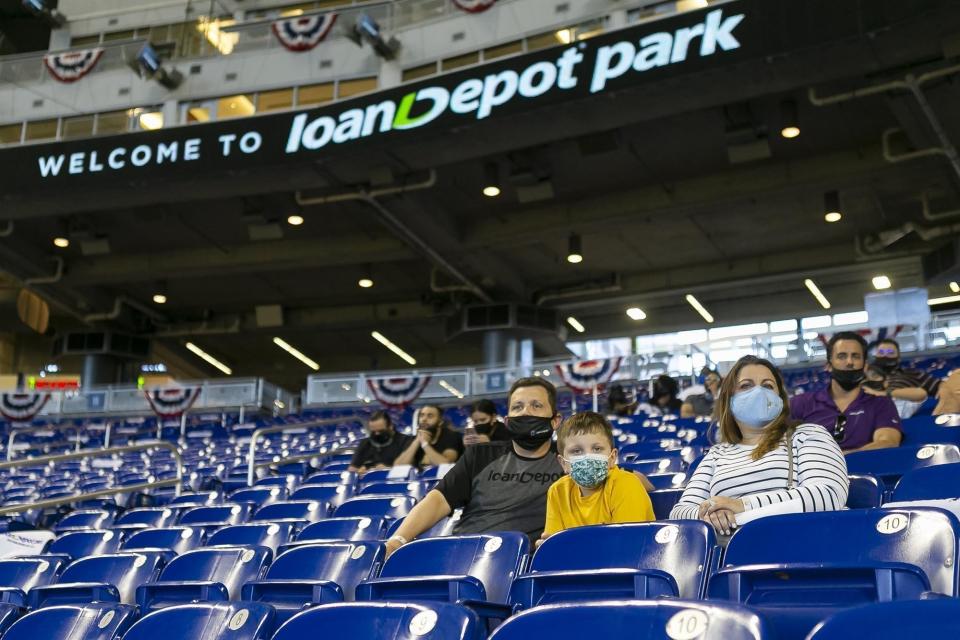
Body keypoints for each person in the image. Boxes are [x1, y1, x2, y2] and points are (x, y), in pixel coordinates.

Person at [384, 377, 565, 557]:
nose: (526, 412)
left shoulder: (566, 460)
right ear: (508, 421)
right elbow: (438, 500)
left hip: (520, 562)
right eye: (518, 407)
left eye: (536, 405)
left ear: (555, 420)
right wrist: (398, 540)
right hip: (463, 555)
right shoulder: (480, 455)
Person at [671, 355, 848, 536]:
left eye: (768, 386)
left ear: (780, 398)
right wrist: (711, 513)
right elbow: (680, 513)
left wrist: (742, 506)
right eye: (746, 386)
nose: (758, 392)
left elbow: (828, 494)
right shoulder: (716, 454)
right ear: (729, 400)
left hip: (805, 546)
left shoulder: (808, 434)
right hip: (736, 558)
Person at [541, 411, 654, 544]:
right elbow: (554, 546)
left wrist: (567, 546)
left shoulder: (627, 484)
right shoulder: (557, 492)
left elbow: (626, 545)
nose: (588, 456)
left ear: (612, 457)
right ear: (563, 463)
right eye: (576, 451)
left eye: (597, 449)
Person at [790, 331, 902, 453]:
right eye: (842, 356)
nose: (849, 362)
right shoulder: (800, 403)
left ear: (865, 366)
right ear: (829, 365)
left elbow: (887, 443)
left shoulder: (881, 404)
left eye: (856, 356)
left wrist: (839, 459)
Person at [393, 404, 464, 469]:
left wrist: (424, 444)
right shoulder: (414, 439)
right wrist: (417, 441)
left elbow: (446, 465)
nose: (424, 419)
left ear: (440, 422)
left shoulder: (452, 436)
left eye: (430, 416)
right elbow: (398, 467)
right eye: (422, 415)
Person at [869, 338, 940, 403]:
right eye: (881, 352)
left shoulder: (914, 374)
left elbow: (942, 387)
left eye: (890, 353)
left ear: (898, 357)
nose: (885, 356)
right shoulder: (865, 376)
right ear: (875, 355)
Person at [347, 411, 415, 473]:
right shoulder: (365, 444)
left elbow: (411, 467)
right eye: (373, 432)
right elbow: (352, 468)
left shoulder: (405, 441)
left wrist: (387, 469)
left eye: (381, 431)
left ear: (390, 427)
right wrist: (359, 472)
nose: (377, 434)